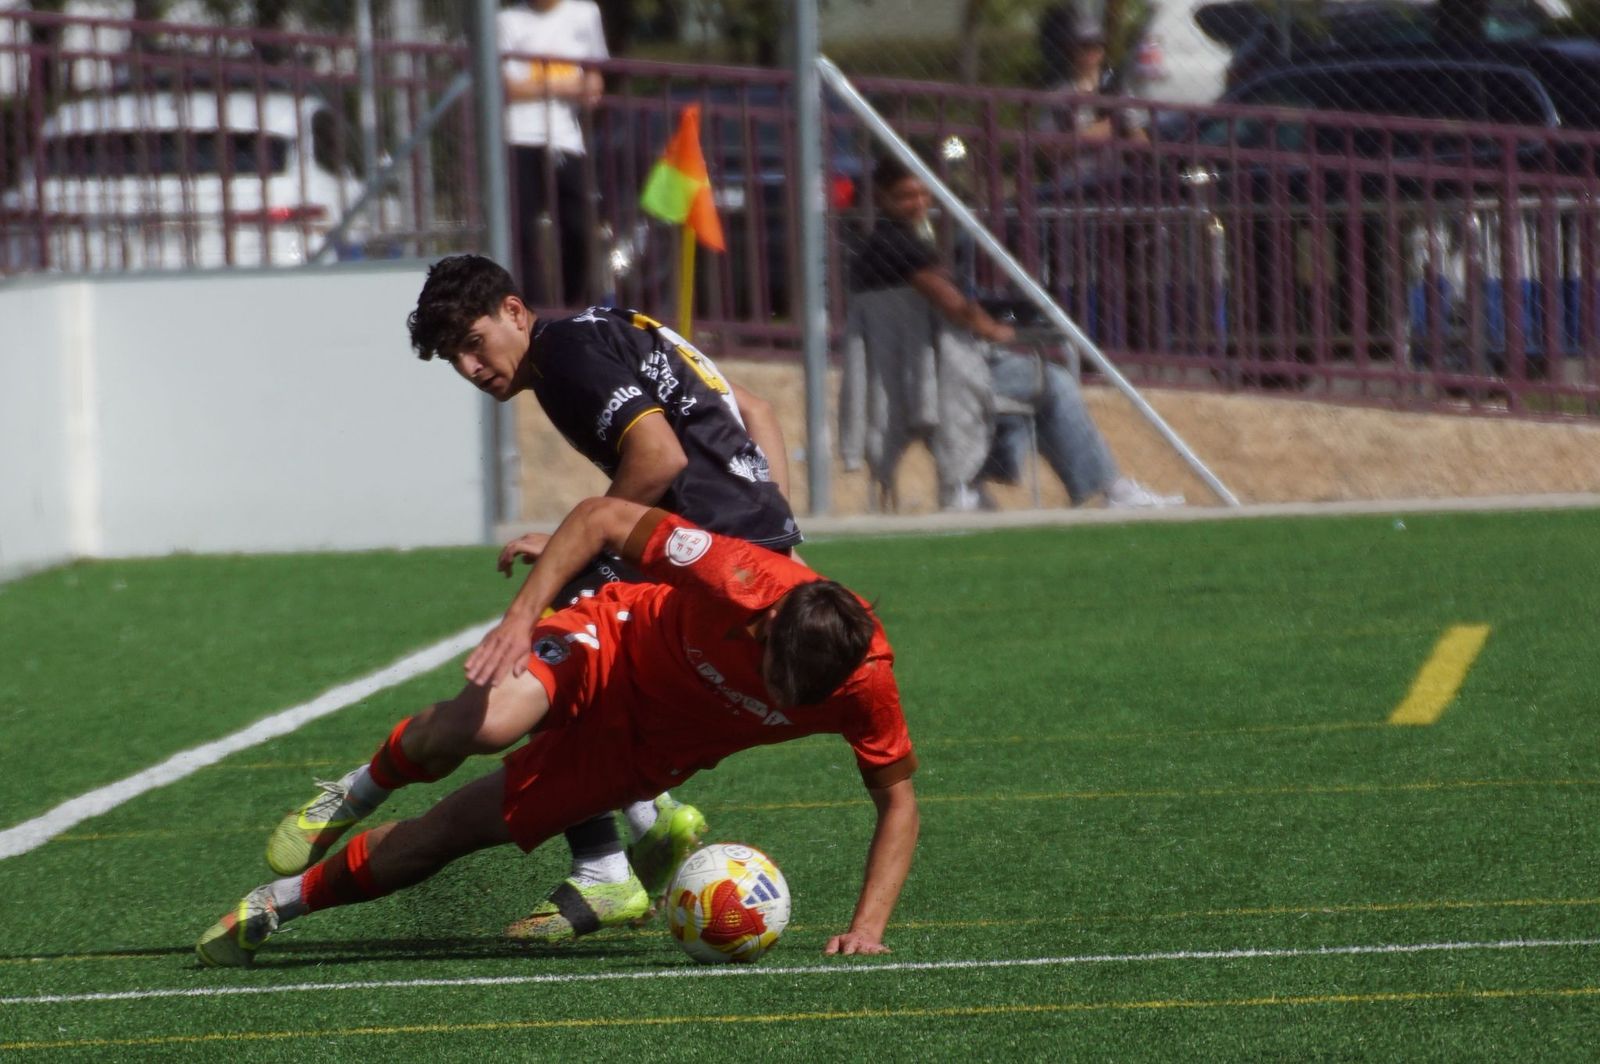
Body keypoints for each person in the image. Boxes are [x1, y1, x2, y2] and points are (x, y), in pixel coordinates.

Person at [263, 254, 803, 945]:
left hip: (707, 558)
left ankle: (606, 856)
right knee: (581, 655)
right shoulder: (609, 326)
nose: (471, 369)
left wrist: (583, 540)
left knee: (541, 653)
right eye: (453, 359)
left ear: (515, 312)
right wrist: (776, 531)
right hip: (751, 555)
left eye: (474, 343)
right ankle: (640, 823)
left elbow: (658, 458)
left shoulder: (565, 353)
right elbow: (753, 410)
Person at [197, 497, 919, 967]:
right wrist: (520, 619)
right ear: (768, 620)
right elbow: (602, 517)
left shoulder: (866, 684)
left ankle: (272, 906)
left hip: (637, 756)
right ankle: (358, 789)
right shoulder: (739, 575)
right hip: (612, 641)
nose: (775, 697)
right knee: (486, 724)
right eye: (770, 676)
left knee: (445, 835)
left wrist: (867, 927)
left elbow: (898, 804)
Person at [845, 155, 1180, 510]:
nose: (918, 204)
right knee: (1054, 383)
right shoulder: (903, 247)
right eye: (905, 196)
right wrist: (994, 328)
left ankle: (971, 485)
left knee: (1023, 393)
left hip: (904, 376)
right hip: (945, 375)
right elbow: (953, 304)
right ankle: (1112, 489)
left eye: (923, 194)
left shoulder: (872, 249)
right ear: (881, 196)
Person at [499, 0, 609, 306]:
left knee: (579, 227)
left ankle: (573, 307)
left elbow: (593, 81)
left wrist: (543, 83)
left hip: (565, 138)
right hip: (518, 136)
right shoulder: (507, 21)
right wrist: (567, 85)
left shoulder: (585, 14)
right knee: (523, 232)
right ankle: (533, 311)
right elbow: (509, 88)